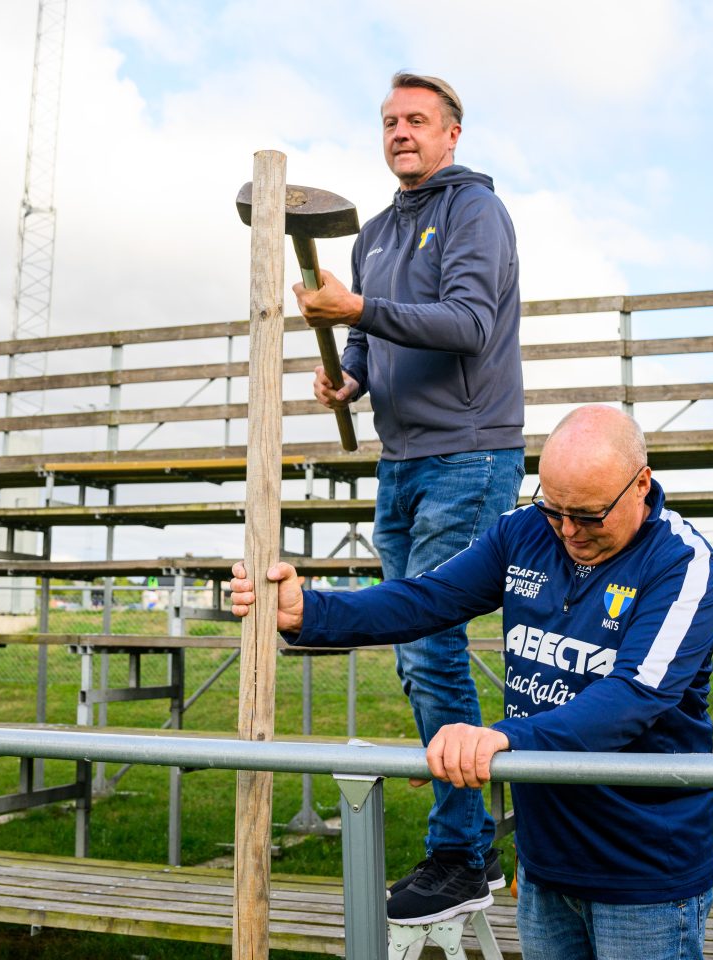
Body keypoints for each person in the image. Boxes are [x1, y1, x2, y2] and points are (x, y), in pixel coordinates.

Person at [231, 406, 713, 957]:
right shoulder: (523, 531)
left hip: (643, 875)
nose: (567, 531)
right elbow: (427, 598)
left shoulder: (682, 563)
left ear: (641, 484)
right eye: (554, 508)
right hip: (544, 866)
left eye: (587, 515)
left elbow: (634, 695)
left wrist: (506, 737)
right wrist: (310, 614)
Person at [289, 71, 525, 918]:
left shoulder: (476, 214)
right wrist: (350, 376)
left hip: (469, 452)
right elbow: (368, 335)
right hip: (400, 459)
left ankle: (463, 854)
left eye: (417, 120)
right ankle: (470, 841)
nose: (400, 132)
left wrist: (359, 307)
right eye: (390, 121)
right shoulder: (376, 233)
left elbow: (468, 324)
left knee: (430, 646)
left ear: (452, 133)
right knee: (412, 649)